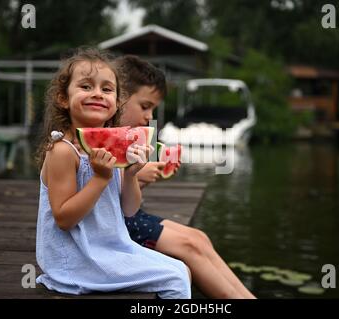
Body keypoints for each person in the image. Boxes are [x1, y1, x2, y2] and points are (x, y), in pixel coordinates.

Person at [34, 47, 191, 299]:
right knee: (175, 279)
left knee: (181, 269)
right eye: (86, 86)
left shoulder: (115, 145)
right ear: (63, 98)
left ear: (117, 102)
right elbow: (63, 219)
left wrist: (130, 175)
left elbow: (129, 209)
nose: (97, 93)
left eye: (107, 89)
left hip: (110, 248)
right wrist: (100, 178)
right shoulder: (63, 151)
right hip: (74, 261)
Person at [114, 55, 256, 299]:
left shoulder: (125, 136)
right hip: (118, 228)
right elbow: (102, 196)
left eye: (153, 109)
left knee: (200, 238)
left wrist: (138, 179)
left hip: (128, 217)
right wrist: (134, 178)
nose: (149, 116)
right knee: (190, 246)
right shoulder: (101, 136)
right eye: (145, 106)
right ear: (120, 97)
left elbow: (121, 198)